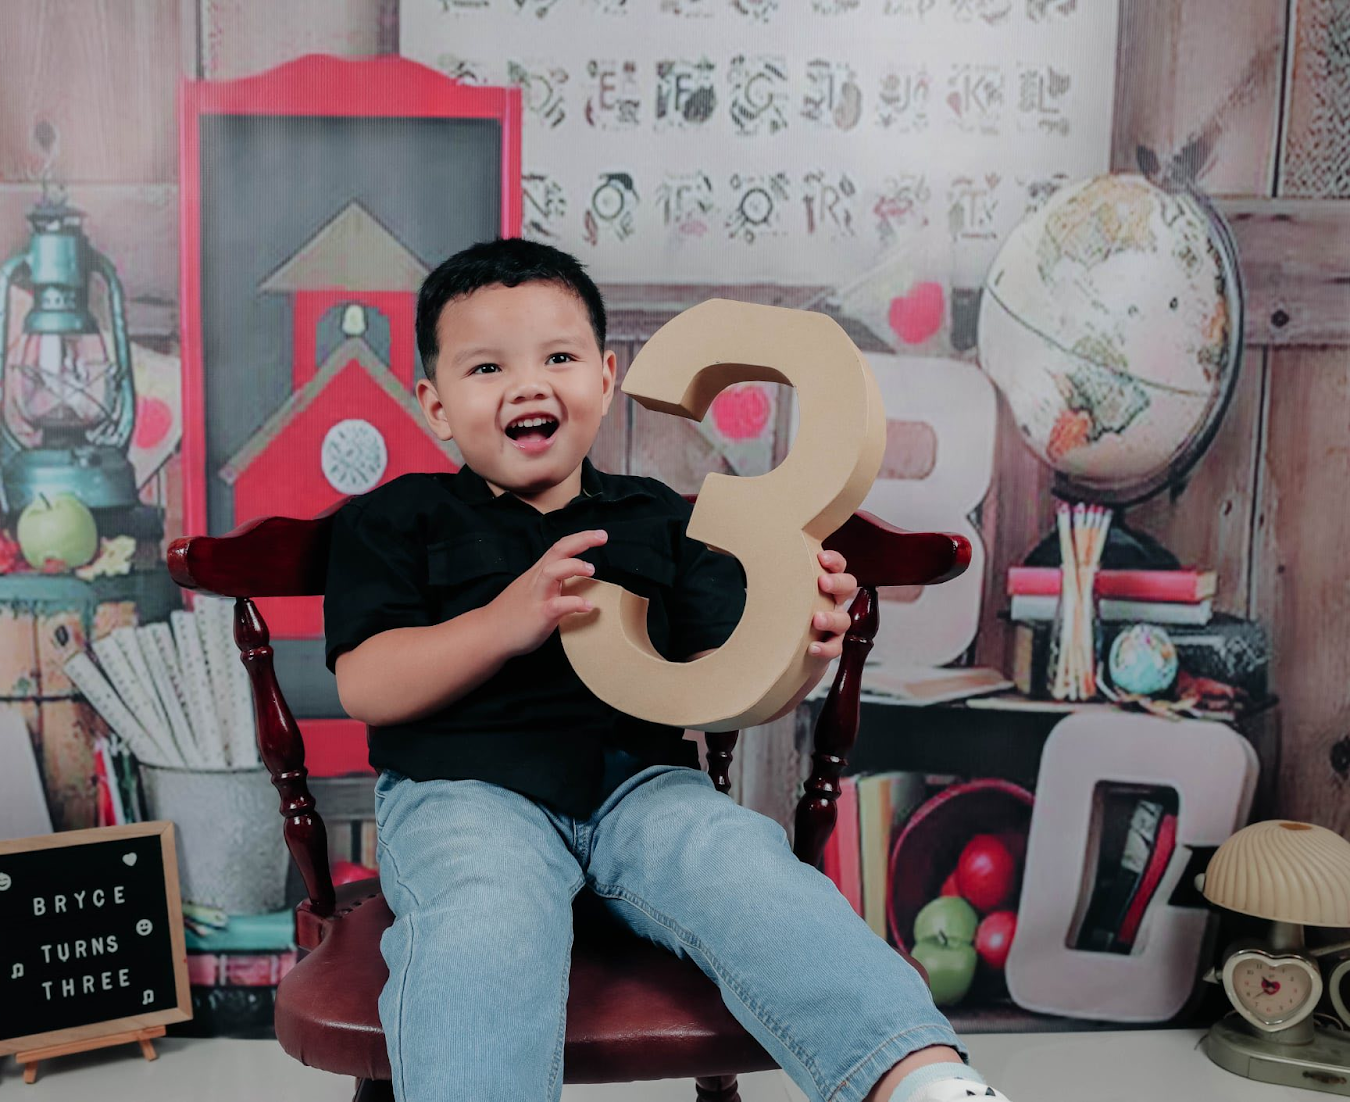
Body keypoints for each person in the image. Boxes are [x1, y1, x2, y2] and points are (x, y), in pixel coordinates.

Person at [323, 237, 1010, 1102]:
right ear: (436, 405)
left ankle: (918, 1077)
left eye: (559, 358)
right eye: (488, 367)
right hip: (462, 795)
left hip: (640, 790)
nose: (529, 386)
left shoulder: (656, 518)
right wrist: (503, 622)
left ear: (607, 377)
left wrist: (803, 636)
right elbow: (368, 683)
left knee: (748, 867)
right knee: (484, 916)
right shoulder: (398, 519)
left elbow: (733, 667)